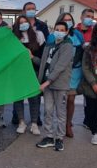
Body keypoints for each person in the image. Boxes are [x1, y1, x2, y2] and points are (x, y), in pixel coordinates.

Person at [46, 13, 85, 138]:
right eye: (65, 20)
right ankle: (54, 128)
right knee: (57, 102)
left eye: (69, 20)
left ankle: (68, 124)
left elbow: (83, 49)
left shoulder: (77, 34)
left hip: (75, 71)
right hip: (59, 73)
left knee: (71, 99)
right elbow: (49, 54)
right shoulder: (52, 37)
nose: (67, 21)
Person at [36, 21, 73, 152]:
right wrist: (32, 57)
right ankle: (49, 136)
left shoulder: (68, 46)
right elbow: (44, 64)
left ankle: (59, 138)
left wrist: (47, 82)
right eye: (57, 29)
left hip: (59, 85)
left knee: (60, 113)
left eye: (62, 30)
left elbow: (60, 67)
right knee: (47, 111)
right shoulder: (49, 45)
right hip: (47, 85)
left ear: (67, 32)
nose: (59, 31)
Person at [12, 15, 44, 135]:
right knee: (19, 98)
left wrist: (32, 57)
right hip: (18, 72)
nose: (23, 24)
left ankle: (34, 123)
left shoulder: (38, 35)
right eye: (20, 23)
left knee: (34, 98)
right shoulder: (13, 38)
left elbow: (42, 59)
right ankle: (21, 122)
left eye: (25, 22)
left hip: (33, 72)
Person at [75, 8, 96, 128]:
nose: (90, 19)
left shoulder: (94, 32)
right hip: (76, 67)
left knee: (89, 96)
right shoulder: (73, 31)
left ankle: (88, 121)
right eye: (88, 16)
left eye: (91, 17)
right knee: (70, 95)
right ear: (81, 17)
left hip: (89, 67)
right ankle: (68, 122)